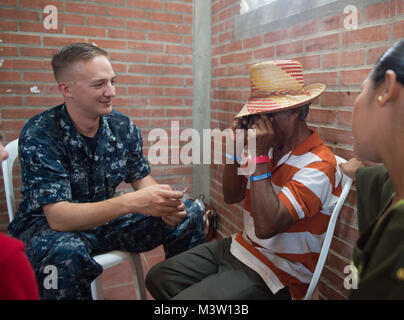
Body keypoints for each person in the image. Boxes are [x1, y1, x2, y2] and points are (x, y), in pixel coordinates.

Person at [7, 43, 205, 300]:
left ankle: (183, 301)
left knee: (188, 213)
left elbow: (141, 181)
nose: (111, 92)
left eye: (112, 81)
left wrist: (164, 204)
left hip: (104, 219)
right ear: (66, 90)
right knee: (64, 254)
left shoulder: (122, 126)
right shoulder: (40, 133)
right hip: (51, 229)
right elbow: (58, 217)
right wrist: (132, 202)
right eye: (99, 84)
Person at [146, 60, 342, 300]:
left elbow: (266, 227)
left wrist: (259, 157)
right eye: (256, 115)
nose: (259, 124)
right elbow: (231, 195)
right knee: (159, 277)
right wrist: (236, 147)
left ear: (294, 111)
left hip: (280, 274)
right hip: (240, 248)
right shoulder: (267, 147)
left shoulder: (319, 164)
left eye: (266, 115)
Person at [339, 40, 404, 299]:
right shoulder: (393, 180)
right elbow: (382, 176)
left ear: (386, 88)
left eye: (360, 91)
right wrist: (356, 172)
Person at [0, 143, 39, 300]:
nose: (4, 153)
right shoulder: (8, 259)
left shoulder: (116, 127)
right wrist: (121, 203)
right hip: (46, 227)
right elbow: (58, 216)